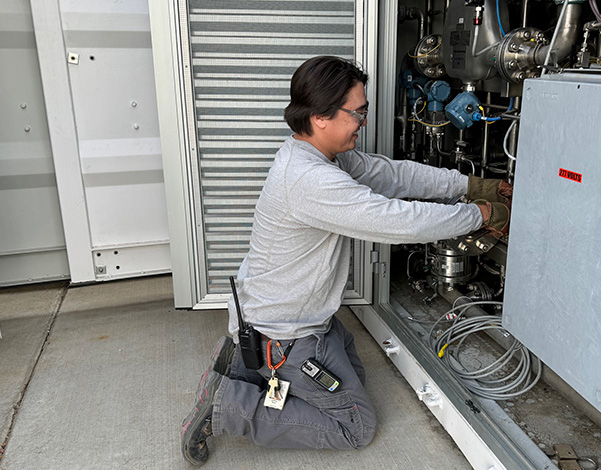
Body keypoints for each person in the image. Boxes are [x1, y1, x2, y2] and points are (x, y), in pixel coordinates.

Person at [180, 55, 510, 465]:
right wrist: (479, 214)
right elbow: (398, 220)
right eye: (358, 112)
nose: (363, 121)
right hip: (288, 332)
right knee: (355, 425)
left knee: (357, 379)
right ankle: (228, 404)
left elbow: (392, 175)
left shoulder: (319, 156)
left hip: (288, 319)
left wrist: (468, 184)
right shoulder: (311, 180)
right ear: (320, 116)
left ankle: (247, 368)